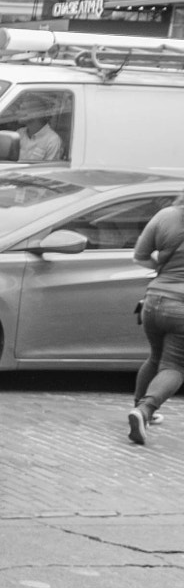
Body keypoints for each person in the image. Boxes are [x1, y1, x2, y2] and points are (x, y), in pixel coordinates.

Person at [127, 186, 184, 446]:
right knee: (174, 366)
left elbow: (140, 257)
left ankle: (138, 409)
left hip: (154, 299)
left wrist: (161, 265)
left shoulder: (165, 215)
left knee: (155, 356)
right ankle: (145, 410)